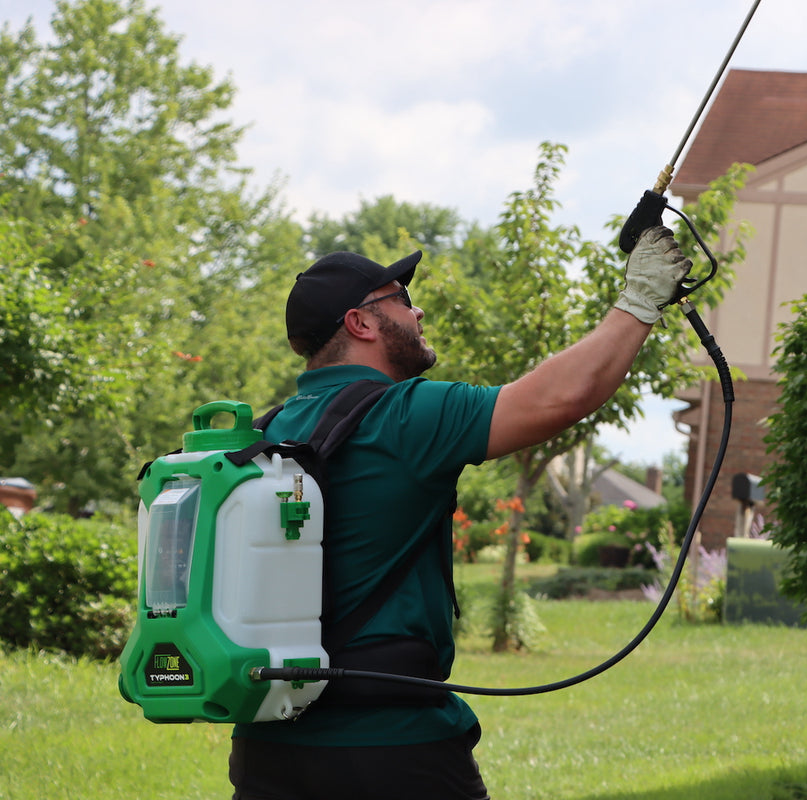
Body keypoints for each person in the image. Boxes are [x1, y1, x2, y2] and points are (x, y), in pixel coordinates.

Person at [228, 226, 692, 800]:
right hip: (394, 752)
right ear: (361, 323)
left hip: (267, 749)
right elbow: (561, 396)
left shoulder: (268, 433)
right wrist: (640, 300)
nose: (417, 310)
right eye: (399, 297)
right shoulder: (406, 416)